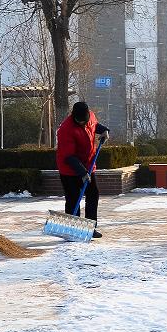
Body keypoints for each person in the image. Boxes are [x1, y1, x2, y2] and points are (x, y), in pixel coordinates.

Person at [56, 101, 110, 237]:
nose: (82, 124)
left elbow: (95, 125)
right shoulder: (65, 129)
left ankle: (89, 228)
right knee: (73, 198)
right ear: (74, 116)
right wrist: (82, 172)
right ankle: (72, 229)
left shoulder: (90, 116)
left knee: (93, 195)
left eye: (84, 121)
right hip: (69, 169)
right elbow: (68, 156)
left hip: (88, 165)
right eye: (79, 122)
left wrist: (104, 130)